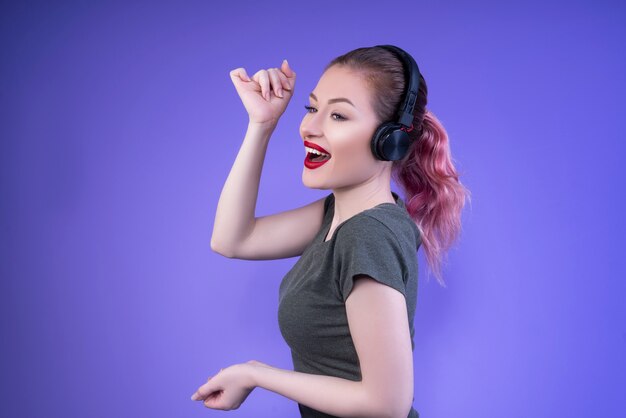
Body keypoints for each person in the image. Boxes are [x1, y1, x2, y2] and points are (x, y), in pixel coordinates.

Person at [191, 45, 469, 417]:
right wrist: (262, 125)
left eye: (338, 115)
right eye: (311, 108)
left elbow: (387, 405)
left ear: (390, 139)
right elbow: (231, 239)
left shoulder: (368, 235)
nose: (309, 126)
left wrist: (256, 374)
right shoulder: (338, 215)